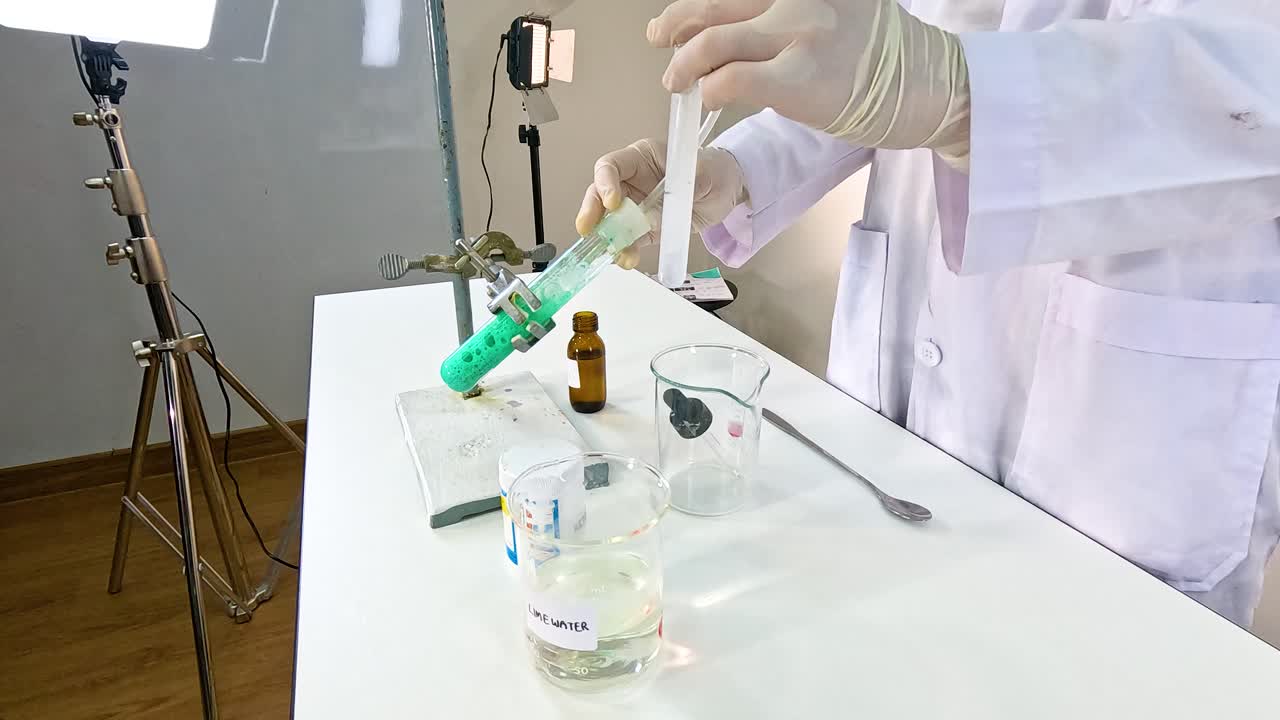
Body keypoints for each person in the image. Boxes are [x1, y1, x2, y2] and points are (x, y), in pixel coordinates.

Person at [576, 0, 1280, 628]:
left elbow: (1253, 87)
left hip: (1127, 424)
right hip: (908, 405)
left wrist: (963, 96)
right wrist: (737, 169)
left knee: (1106, 660)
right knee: (893, 636)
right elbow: (887, 67)